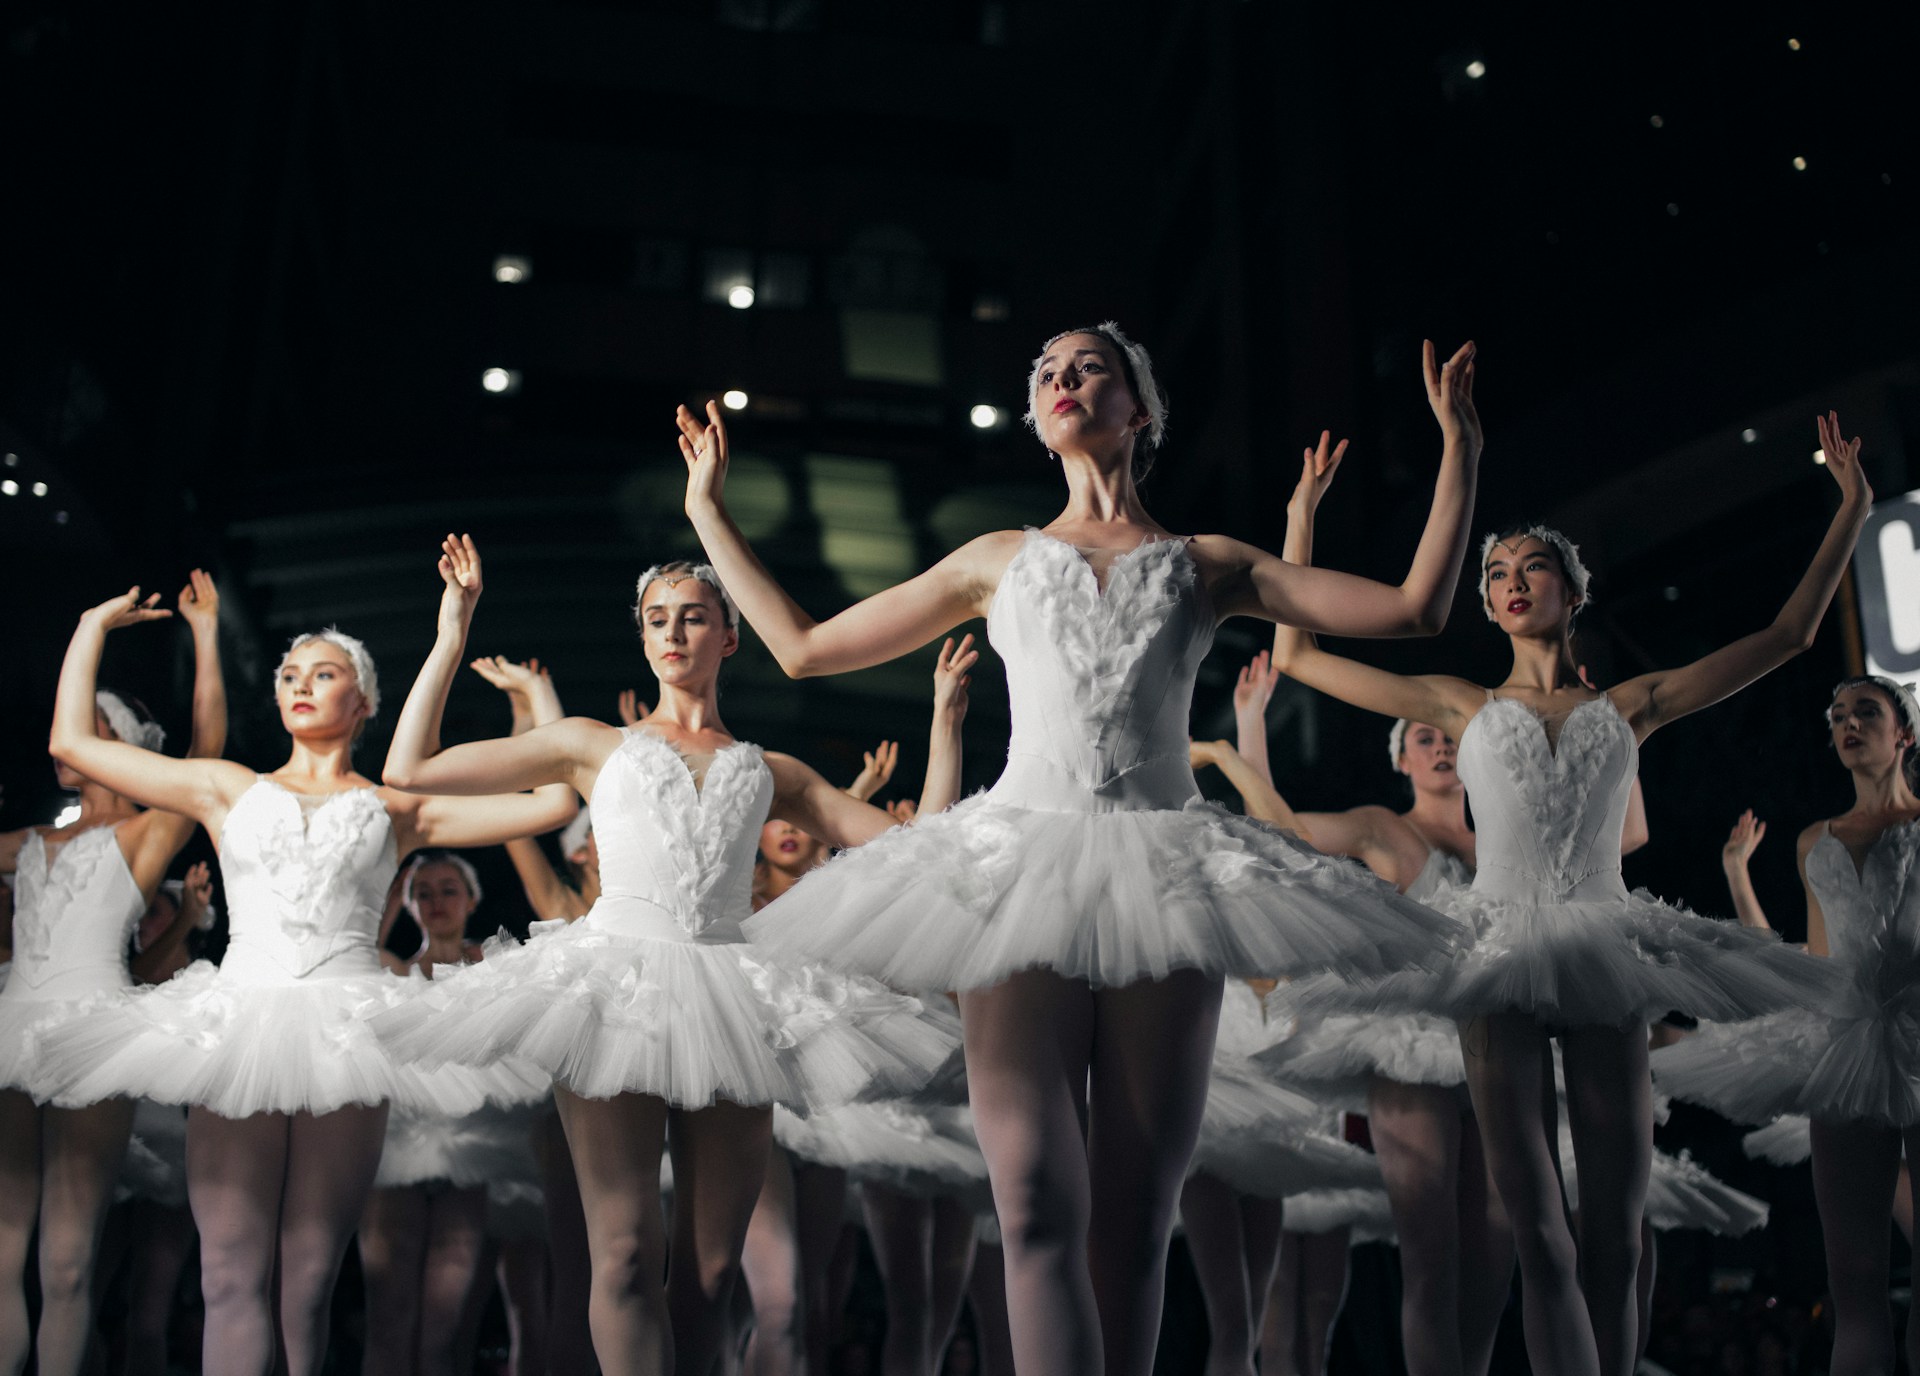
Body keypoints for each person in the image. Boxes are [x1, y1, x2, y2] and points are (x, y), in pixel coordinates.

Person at [680, 324, 1484, 1374]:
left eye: (1086, 365)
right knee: (1037, 1209)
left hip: (1168, 874)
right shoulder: (997, 559)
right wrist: (706, 507)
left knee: (1135, 1224)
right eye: (1046, 372)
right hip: (1020, 872)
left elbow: (1417, 610)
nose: (1062, 378)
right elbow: (801, 648)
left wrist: (1460, 444)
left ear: (1137, 408)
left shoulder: (1209, 563)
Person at [1268, 412, 1868, 1376]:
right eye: (1497, 573)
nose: (1509, 582)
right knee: (1538, 1236)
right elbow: (1297, 658)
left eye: (1530, 566)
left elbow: (1792, 635)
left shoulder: (1630, 704)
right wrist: (1300, 520)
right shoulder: (1458, 703)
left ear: (1574, 590)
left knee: (1616, 1243)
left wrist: (1852, 508)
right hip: (1495, 948)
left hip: (1602, 944)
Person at [371, 538, 970, 1375]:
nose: (674, 633)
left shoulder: (772, 771)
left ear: (731, 636)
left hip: (733, 998)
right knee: (620, 1255)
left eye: (694, 618)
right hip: (612, 990)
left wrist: (945, 723)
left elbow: (916, 849)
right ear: (644, 639)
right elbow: (411, 766)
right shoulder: (590, 744)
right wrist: (452, 629)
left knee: (713, 1271)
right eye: (657, 620)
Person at [39, 573, 572, 1376]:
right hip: (238, 1023)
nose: (299, 685)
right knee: (226, 1274)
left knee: (310, 1282)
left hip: (345, 1029)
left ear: (363, 703)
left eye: (323, 674)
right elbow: (73, 746)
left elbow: (556, 800)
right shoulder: (225, 787)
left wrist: (455, 643)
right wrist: (89, 625)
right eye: (290, 674)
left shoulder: (400, 808)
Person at [1653, 676, 1920, 1375]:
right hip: (1848, 1051)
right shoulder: (1814, 842)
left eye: (1866, 711)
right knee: (1854, 1281)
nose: (1848, 724)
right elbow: (1815, 964)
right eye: (1837, 716)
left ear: (1906, 734)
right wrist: (1739, 877)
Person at [0, 570, 225, 1376]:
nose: (72, 734)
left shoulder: (144, 836)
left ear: (120, 745)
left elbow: (205, 759)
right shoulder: (24, 841)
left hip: (94, 1031)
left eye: (92, 723)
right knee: (2, 1256)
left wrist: (203, 638)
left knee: (65, 1260)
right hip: (11, 1029)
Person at [360, 848, 546, 1376]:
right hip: (399, 1146)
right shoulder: (394, 971)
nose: (437, 901)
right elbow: (357, 954)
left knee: (444, 1327)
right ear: (410, 903)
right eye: (425, 892)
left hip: (472, 1146)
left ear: (471, 899)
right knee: (389, 1323)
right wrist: (391, 897)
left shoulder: (496, 965)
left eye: (448, 890)